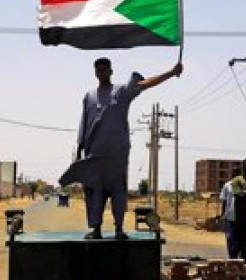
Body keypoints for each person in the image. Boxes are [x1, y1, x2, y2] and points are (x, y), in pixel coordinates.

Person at [60, 57, 183, 240]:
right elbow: (83, 124)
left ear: (111, 71)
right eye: (98, 70)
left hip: (117, 157)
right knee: (94, 192)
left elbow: (146, 83)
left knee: (118, 190)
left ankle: (119, 228)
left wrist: (171, 73)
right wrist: (79, 152)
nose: (101, 73)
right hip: (94, 155)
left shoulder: (122, 92)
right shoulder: (89, 96)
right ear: (95, 72)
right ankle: (96, 229)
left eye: (104, 70)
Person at [220, 167, 242, 258]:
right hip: (230, 217)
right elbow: (224, 201)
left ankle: (238, 258)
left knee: (239, 239)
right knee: (230, 238)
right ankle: (231, 258)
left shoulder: (243, 185)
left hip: (242, 217)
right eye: (234, 172)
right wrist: (223, 215)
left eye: (237, 172)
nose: (235, 174)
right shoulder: (227, 185)